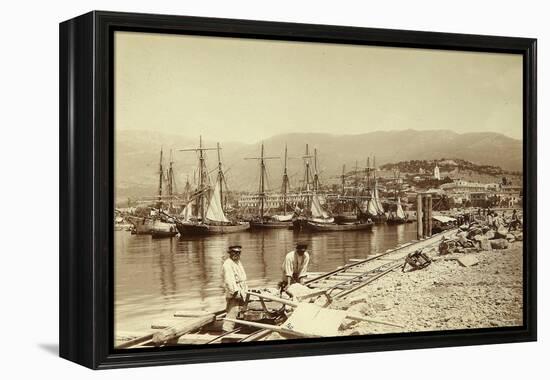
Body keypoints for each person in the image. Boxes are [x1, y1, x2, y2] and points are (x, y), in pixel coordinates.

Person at [221, 245, 248, 332]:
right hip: (234, 291)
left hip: (242, 289)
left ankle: (240, 326)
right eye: (234, 252)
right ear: (230, 253)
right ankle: (226, 330)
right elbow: (229, 280)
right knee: (233, 311)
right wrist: (235, 292)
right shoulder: (227, 264)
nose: (237, 254)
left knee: (242, 309)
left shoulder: (238, 262)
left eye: (238, 252)